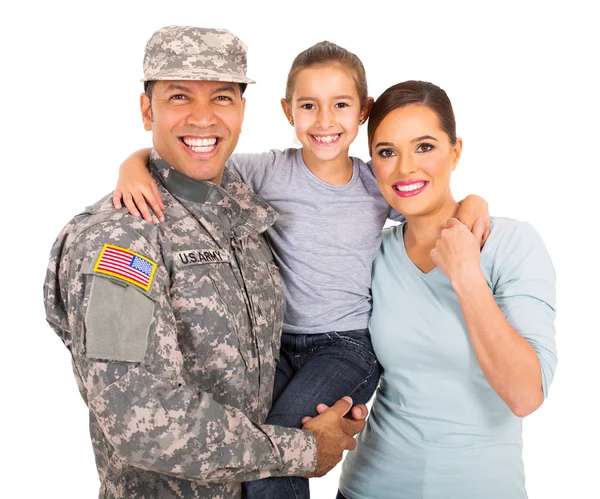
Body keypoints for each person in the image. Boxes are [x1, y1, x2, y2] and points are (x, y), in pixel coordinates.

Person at [112, 42, 490, 499]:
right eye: (309, 106)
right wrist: (132, 165)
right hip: (276, 347)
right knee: (253, 440)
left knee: (286, 441)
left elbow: (429, 200)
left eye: (341, 105)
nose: (325, 120)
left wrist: (475, 202)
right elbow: (192, 160)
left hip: (345, 347)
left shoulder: (376, 182)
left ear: (363, 112)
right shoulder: (267, 171)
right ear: (288, 111)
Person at [43, 26, 369, 499]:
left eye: (221, 97)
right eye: (179, 96)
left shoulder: (244, 216)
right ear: (146, 110)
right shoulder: (121, 241)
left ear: (241, 111)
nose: (202, 118)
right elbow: (138, 420)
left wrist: (328, 408)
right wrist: (301, 449)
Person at [330, 80, 557, 499]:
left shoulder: (513, 244)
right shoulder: (372, 253)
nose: (405, 168)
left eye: (425, 146)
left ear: (455, 151)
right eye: (387, 152)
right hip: (367, 488)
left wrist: (466, 274)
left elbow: (526, 395)